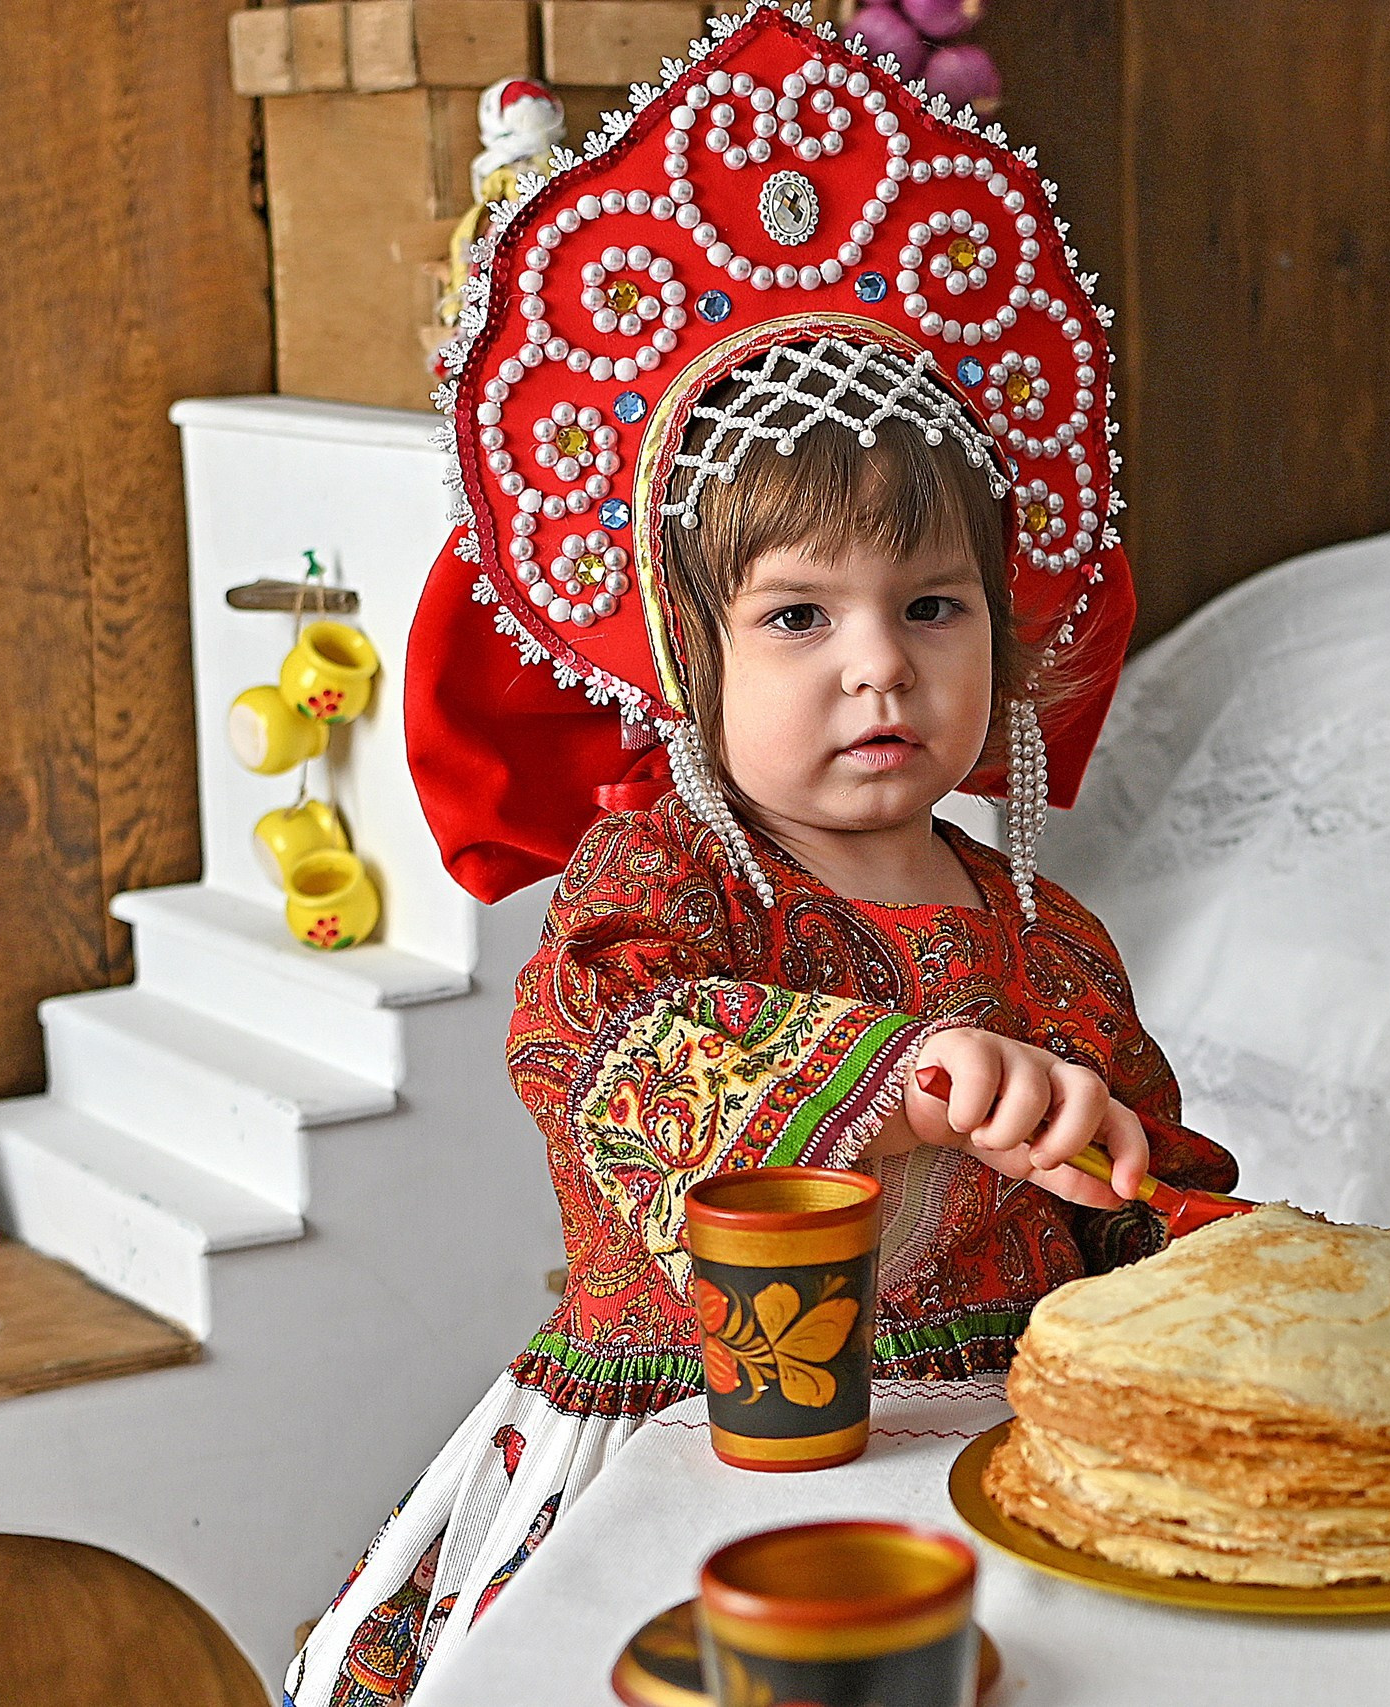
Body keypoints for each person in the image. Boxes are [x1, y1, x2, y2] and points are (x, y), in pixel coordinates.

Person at [284, 8, 1233, 1702]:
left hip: (1003, 1465)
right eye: (799, 617)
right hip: (700, 1454)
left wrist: (1200, 1246)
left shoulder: (1049, 933)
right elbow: (606, 1060)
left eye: (932, 608)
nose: (881, 668)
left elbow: (1141, 1189)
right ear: (684, 653)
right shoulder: (665, 887)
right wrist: (907, 1076)